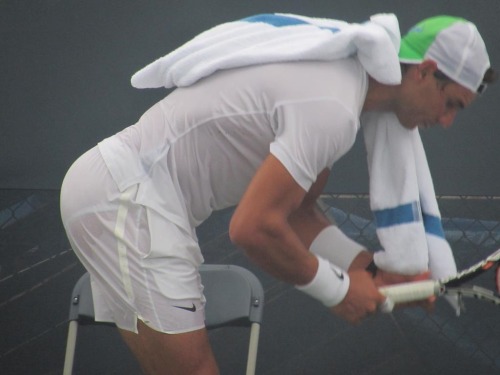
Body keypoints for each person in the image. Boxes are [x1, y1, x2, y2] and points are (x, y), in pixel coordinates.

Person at [60, 13, 495, 374]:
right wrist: (339, 290)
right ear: (424, 72)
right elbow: (253, 228)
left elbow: (297, 214)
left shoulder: (340, 87)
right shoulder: (333, 107)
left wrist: (372, 273)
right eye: (451, 104)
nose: (445, 123)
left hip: (118, 196)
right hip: (126, 201)